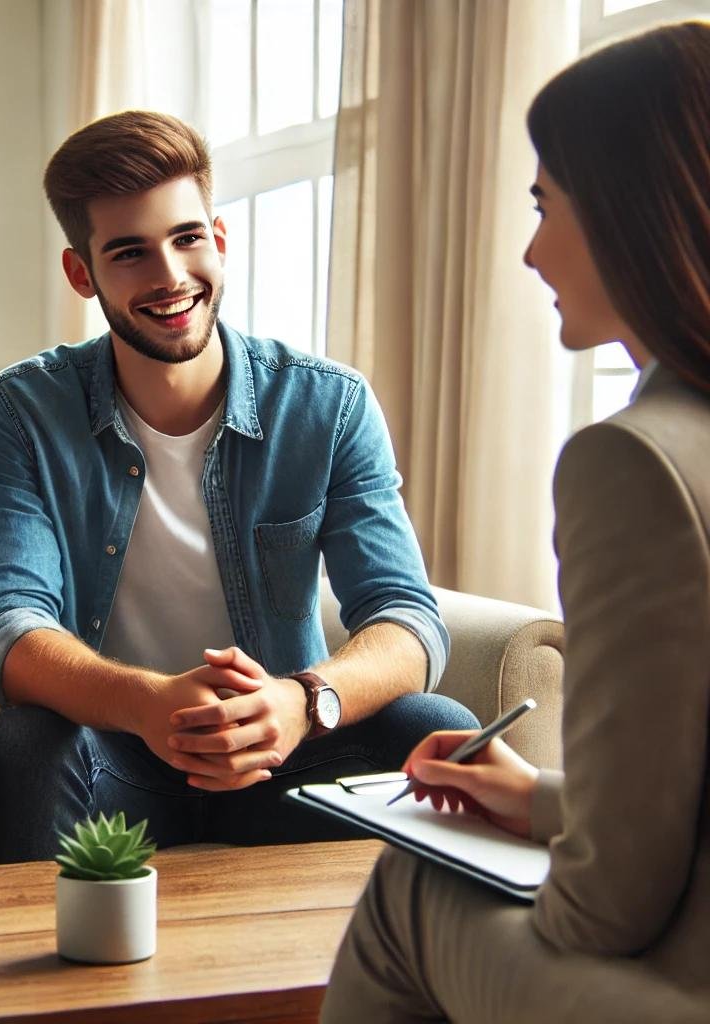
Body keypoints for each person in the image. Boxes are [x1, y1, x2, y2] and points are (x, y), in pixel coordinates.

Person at [321, 21, 710, 1024]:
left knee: (412, 885)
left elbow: (606, 907)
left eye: (544, 206)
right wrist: (537, 798)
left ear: (627, 208)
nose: (531, 252)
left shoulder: (636, 462)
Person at [0, 110, 478, 863]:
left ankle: (413, 948)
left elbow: (405, 615)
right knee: (27, 742)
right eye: (130, 253)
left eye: (186, 239)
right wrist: (149, 705)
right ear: (82, 274)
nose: (170, 276)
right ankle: (52, 948)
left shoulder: (328, 405)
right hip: (121, 755)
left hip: (283, 750)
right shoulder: (26, 409)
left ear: (218, 237)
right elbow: (13, 628)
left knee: (436, 729)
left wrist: (303, 700)